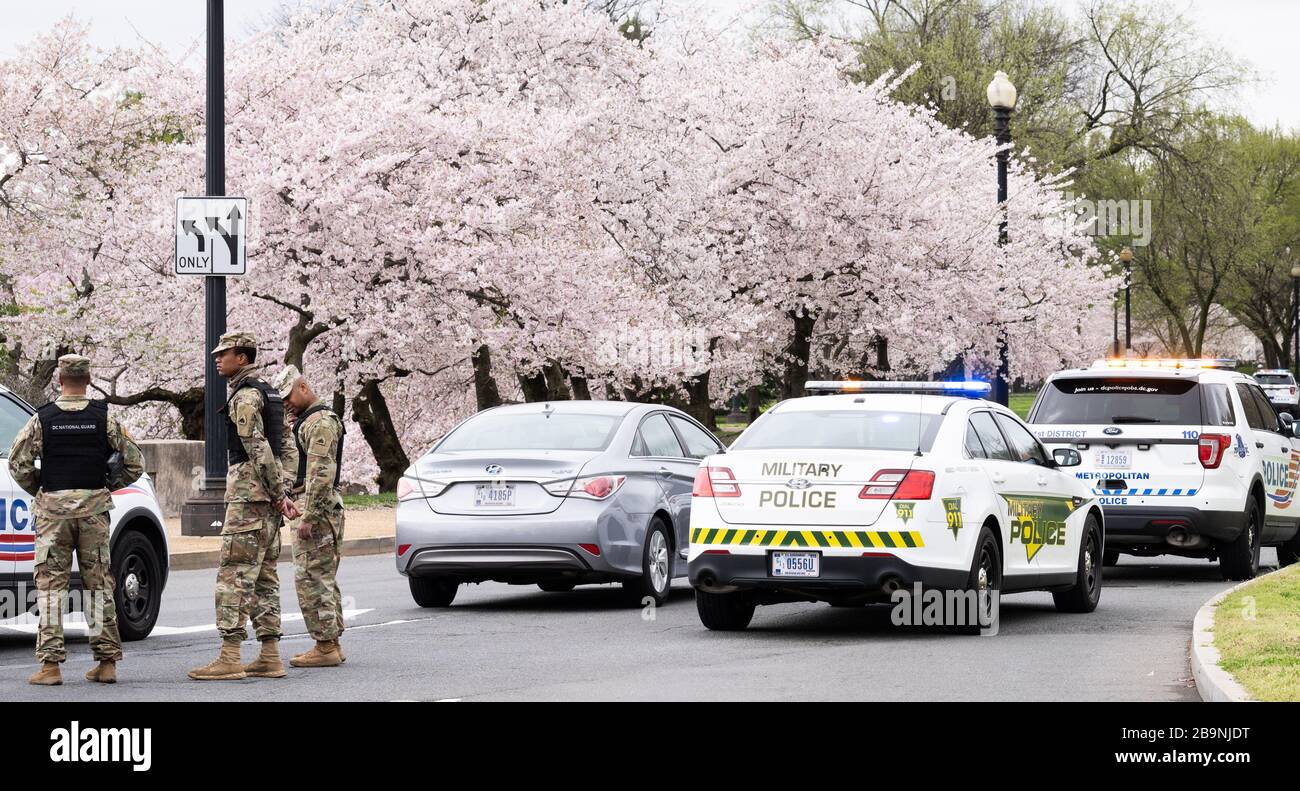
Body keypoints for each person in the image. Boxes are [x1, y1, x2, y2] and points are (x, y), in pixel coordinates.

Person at [8, 354, 144, 686]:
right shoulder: (104, 418)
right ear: (88, 379)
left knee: (51, 588)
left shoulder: (43, 419)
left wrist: (42, 489)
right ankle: (106, 662)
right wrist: (105, 486)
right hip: (93, 513)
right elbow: (134, 463)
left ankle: (51, 666)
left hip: (53, 513)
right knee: (99, 585)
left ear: (59, 380)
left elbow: (18, 463)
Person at [188, 332, 300, 681]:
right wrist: (285, 488)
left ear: (242, 357)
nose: (217, 358)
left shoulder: (246, 396)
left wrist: (278, 492)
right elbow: (289, 449)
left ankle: (230, 656)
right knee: (265, 577)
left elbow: (258, 448)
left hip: (250, 499)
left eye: (225, 353)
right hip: (267, 500)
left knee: (234, 575)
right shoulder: (270, 393)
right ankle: (269, 654)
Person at [272, 365, 347, 667]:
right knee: (322, 577)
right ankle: (331, 642)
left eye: (288, 396)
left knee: (311, 578)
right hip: (318, 505)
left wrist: (310, 516)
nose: (286, 403)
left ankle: (325, 645)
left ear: (303, 387)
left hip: (318, 507)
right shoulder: (309, 421)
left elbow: (320, 475)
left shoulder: (320, 423)